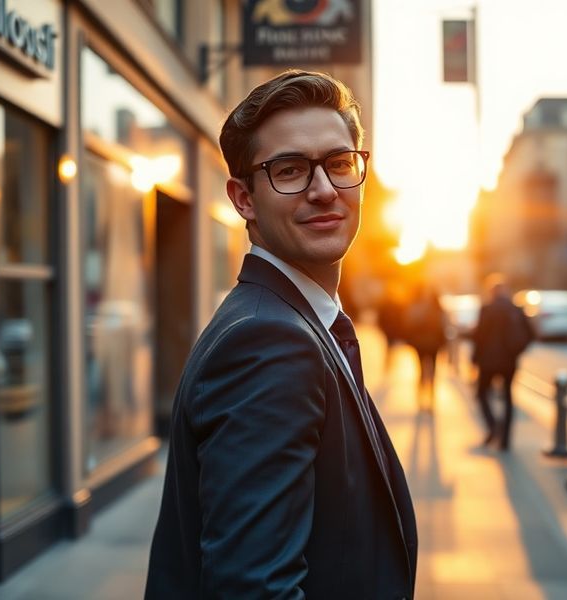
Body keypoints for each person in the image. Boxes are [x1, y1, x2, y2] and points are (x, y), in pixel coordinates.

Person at [145, 70, 417, 599]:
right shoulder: (270, 343)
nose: (324, 191)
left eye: (339, 164)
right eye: (289, 170)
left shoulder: (290, 321)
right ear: (243, 199)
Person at [471, 273, 534, 451]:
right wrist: (516, 352)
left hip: (487, 362)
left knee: (482, 394)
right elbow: (531, 334)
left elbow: (478, 337)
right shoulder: (516, 309)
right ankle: (506, 439)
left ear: (491, 292)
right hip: (509, 362)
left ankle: (492, 427)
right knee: (508, 397)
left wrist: (474, 360)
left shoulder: (487, 309)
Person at [403, 281, 447, 412]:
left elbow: (443, 325)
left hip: (432, 343)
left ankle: (430, 400)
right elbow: (409, 322)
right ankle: (422, 400)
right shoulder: (425, 306)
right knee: (421, 370)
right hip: (421, 343)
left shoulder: (436, 307)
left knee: (432, 371)